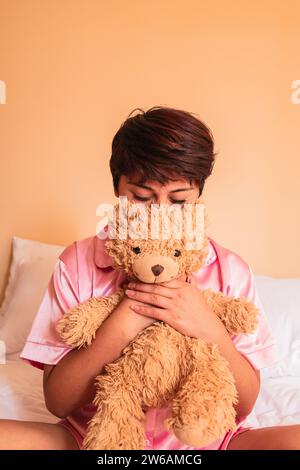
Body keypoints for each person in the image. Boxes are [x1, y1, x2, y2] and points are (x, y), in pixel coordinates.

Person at [0, 106, 299, 450]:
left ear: (198, 193)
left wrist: (207, 326)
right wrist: (122, 324)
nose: (159, 214)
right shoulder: (78, 262)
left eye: (178, 201)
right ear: (117, 189)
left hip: (205, 445)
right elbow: (58, 401)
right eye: (142, 198)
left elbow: (243, 407)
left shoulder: (229, 269)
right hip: (96, 439)